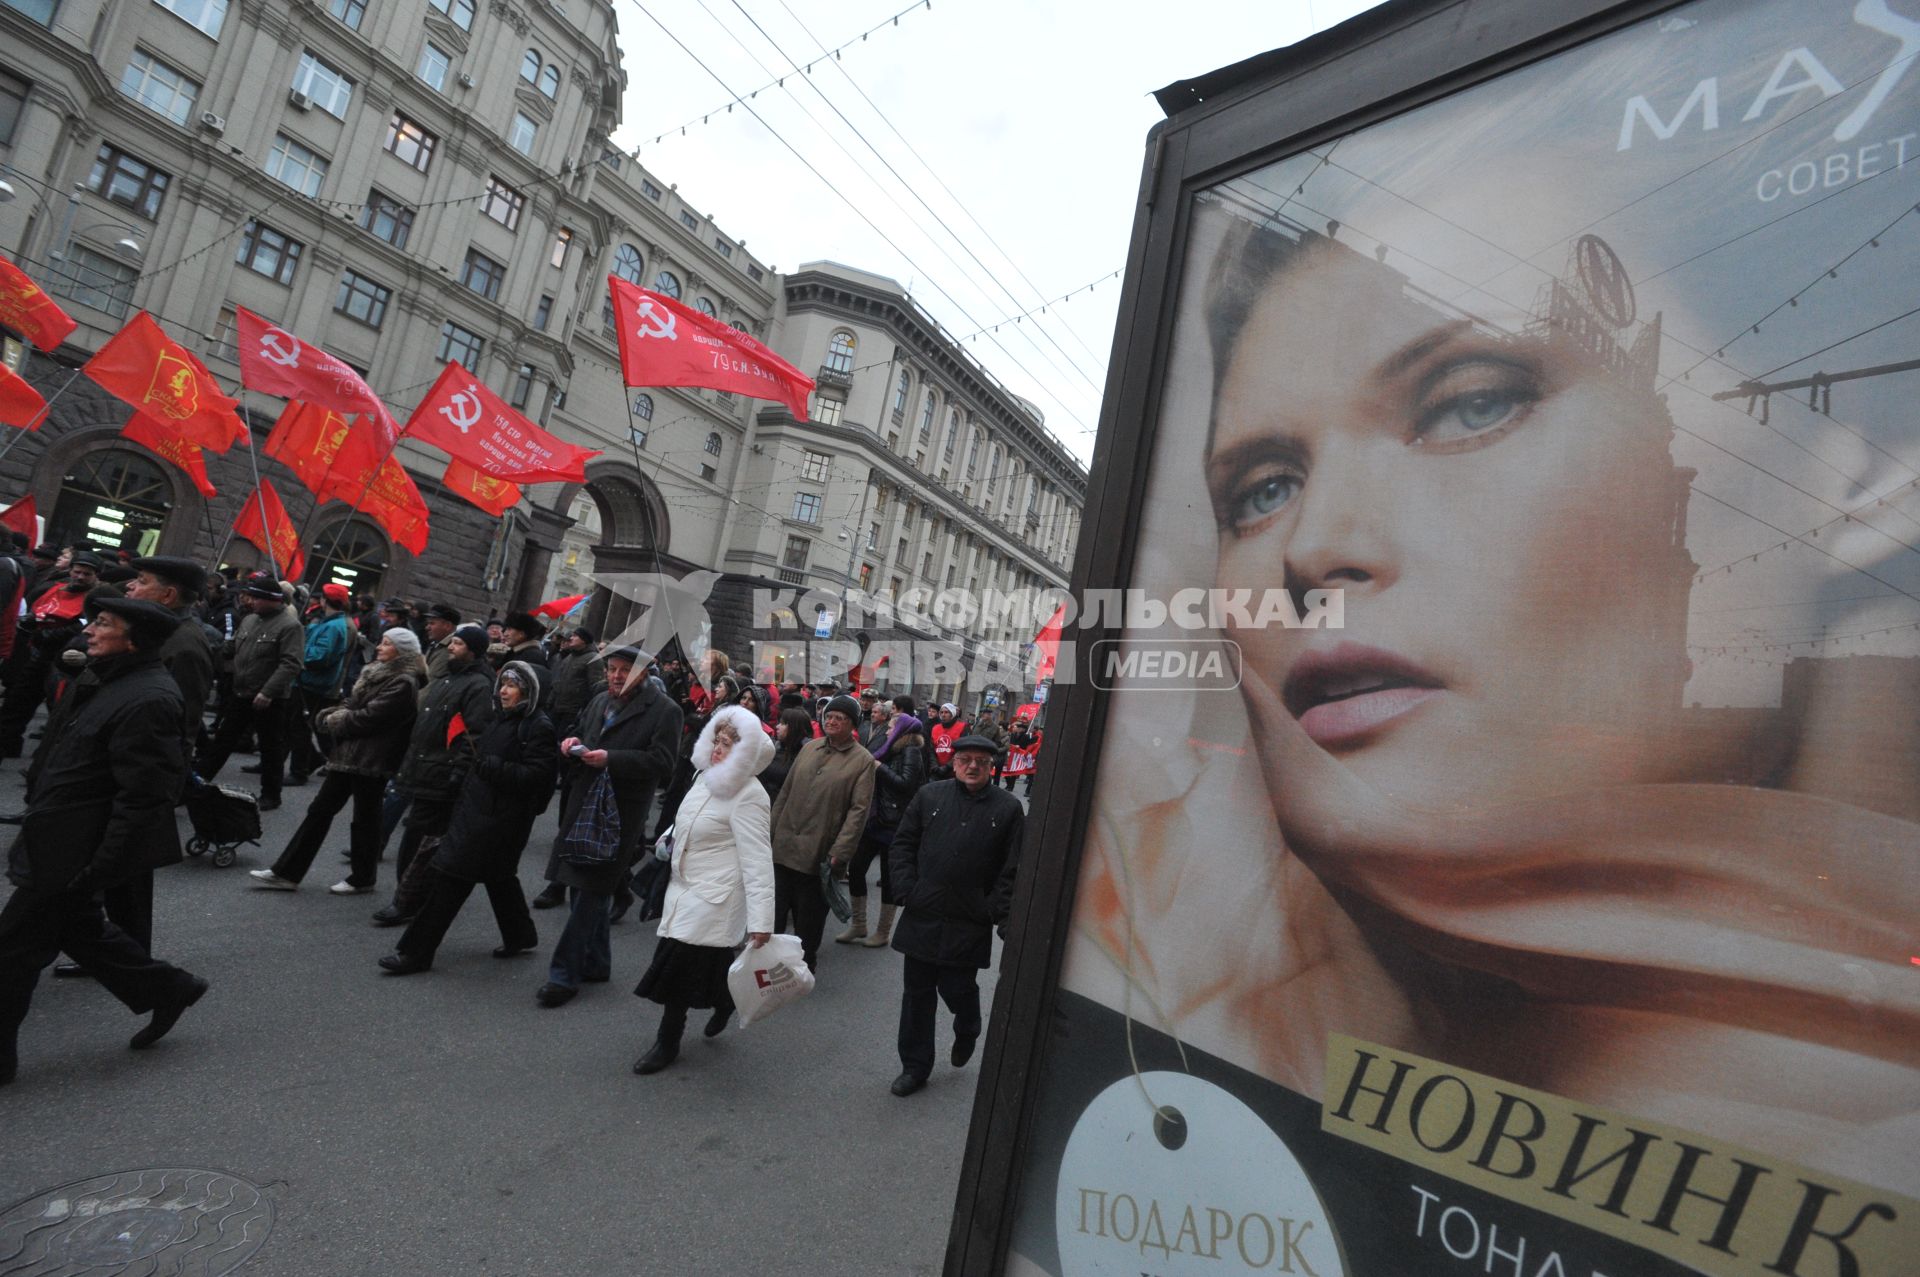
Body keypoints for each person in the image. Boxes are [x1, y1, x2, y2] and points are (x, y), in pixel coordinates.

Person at [0, 598, 210, 1086]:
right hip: (57, 834)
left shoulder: (150, 697)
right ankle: (170, 988)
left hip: (76, 848)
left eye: (103, 624)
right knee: (80, 930)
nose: (90, 631)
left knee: (11, 949)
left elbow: (146, 795)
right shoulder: (107, 677)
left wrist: (102, 863)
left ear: (133, 640)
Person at [378, 661, 555, 974]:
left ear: (529, 692)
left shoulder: (537, 726)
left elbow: (539, 776)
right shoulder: (502, 718)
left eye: (512, 685)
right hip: (476, 813)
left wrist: (493, 768)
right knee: (499, 878)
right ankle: (520, 935)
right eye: (503, 683)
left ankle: (415, 953)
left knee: (449, 882)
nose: (503, 690)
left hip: (496, 823)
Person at [631, 704, 775, 1074]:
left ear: (745, 752)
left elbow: (758, 861)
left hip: (715, 897)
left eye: (728, 744)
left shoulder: (751, 795)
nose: (718, 748)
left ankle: (667, 1043)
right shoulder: (705, 776)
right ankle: (726, 1001)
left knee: (675, 972)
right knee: (706, 966)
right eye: (718, 739)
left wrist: (761, 922)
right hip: (685, 886)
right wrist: (667, 839)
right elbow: (689, 820)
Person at [535, 645, 680, 1007]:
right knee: (585, 889)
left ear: (643, 674)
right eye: (612, 669)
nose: (616, 676)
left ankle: (563, 977)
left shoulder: (666, 711)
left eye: (625, 671)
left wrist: (611, 760)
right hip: (584, 801)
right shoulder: (600, 699)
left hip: (619, 814)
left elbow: (663, 764)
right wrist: (571, 744)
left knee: (588, 891)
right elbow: (582, 731)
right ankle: (597, 963)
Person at [886, 734, 1023, 1097]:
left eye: (981, 760)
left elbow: (1012, 869)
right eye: (966, 759)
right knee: (917, 995)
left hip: (969, 918)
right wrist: (906, 888)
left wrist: (994, 909)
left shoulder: (1008, 808)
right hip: (923, 911)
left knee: (957, 988)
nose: (973, 766)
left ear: (992, 766)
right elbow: (903, 844)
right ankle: (915, 1067)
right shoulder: (930, 795)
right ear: (955, 762)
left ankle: (968, 1024)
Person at [248, 629, 424, 893]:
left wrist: (336, 719)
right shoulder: (378, 671)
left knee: (365, 818)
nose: (379, 647)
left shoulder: (404, 682)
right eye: (382, 641)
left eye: (387, 644)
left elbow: (370, 717)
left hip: (371, 761)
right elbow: (352, 703)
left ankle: (362, 877)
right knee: (321, 812)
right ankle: (287, 872)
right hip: (349, 756)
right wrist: (336, 712)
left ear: (401, 651)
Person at [373, 624, 495, 923]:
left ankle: (408, 902)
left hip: (441, 774)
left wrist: (457, 772)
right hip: (420, 768)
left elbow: (473, 735)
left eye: (457, 643)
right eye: (452, 642)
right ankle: (411, 897)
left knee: (419, 842)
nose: (451, 647)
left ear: (473, 650)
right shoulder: (448, 678)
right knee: (418, 838)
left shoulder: (478, 686)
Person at [767, 693, 874, 972]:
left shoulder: (862, 760)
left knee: (809, 915)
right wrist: (771, 829)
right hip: (785, 843)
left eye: (840, 718)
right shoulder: (810, 748)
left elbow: (858, 811)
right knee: (775, 909)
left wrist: (841, 850)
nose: (832, 721)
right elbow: (785, 792)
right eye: (829, 716)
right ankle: (771, 961)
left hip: (820, 852)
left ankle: (804, 964)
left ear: (852, 724)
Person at [194, 573, 303, 811]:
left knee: (270, 748)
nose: (250, 601)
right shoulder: (249, 619)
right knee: (222, 741)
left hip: (268, 698)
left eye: (256, 598)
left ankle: (271, 795)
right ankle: (198, 782)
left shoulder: (290, 626)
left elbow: (291, 663)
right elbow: (231, 647)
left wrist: (268, 691)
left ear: (272, 599)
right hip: (241, 692)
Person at [838, 696, 928, 948]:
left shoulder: (911, 749)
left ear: (901, 729)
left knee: (890, 879)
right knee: (856, 868)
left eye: (891, 726)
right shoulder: (889, 746)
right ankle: (858, 924)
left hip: (895, 823)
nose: (887, 729)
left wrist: (879, 768)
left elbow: (906, 784)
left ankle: (882, 932)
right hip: (876, 818)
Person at [0, 551, 99, 758]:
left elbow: (85, 625)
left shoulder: (96, 598)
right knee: (19, 700)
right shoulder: (55, 589)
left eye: (86, 574)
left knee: (59, 709)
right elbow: (35, 609)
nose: (80, 577)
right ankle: (7, 744)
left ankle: (48, 755)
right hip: (38, 653)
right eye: (77, 571)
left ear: (95, 576)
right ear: (70, 571)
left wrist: (51, 634)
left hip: (67, 660)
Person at [286, 583, 352, 787]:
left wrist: (299, 655)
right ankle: (309, 761)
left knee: (299, 728)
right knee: (298, 727)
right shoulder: (329, 623)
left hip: (312, 683)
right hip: (309, 682)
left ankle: (299, 771)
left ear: (325, 600)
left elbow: (321, 655)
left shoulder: (334, 626)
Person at [547, 627, 604, 740]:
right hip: (557, 708)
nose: (571, 638)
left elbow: (596, 687)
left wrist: (584, 710)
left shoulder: (594, 659)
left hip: (573, 712)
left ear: (584, 640)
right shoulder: (570, 657)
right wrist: (550, 701)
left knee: (563, 740)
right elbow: (558, 681)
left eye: (575, 635)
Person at [490, 611, 552, 703]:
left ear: (522, 634)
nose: (505, 634)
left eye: (510, 629)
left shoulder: (532, 656)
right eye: (506, 629)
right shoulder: (513, 652)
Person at [759, 706, 812, 801]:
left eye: (783, 723)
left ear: (794, 728)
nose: (777, 726)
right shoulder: (775, 748)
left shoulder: (804, 757)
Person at [421, 604, 460, 681]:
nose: (427, 627)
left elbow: (430, 681)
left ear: (447, 626)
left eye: (432, 623)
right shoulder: (435, 644)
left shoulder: (451, 650)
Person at [928, 703, 966, 779]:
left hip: (953, 772)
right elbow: (931, 749)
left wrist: (947, 766)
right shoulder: (935, 728)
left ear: (952, 714)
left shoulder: (962, 727)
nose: (943, 715)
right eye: (941, 712)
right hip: (937, 770)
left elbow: (962, 750)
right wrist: (934, 765)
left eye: (946, 712)